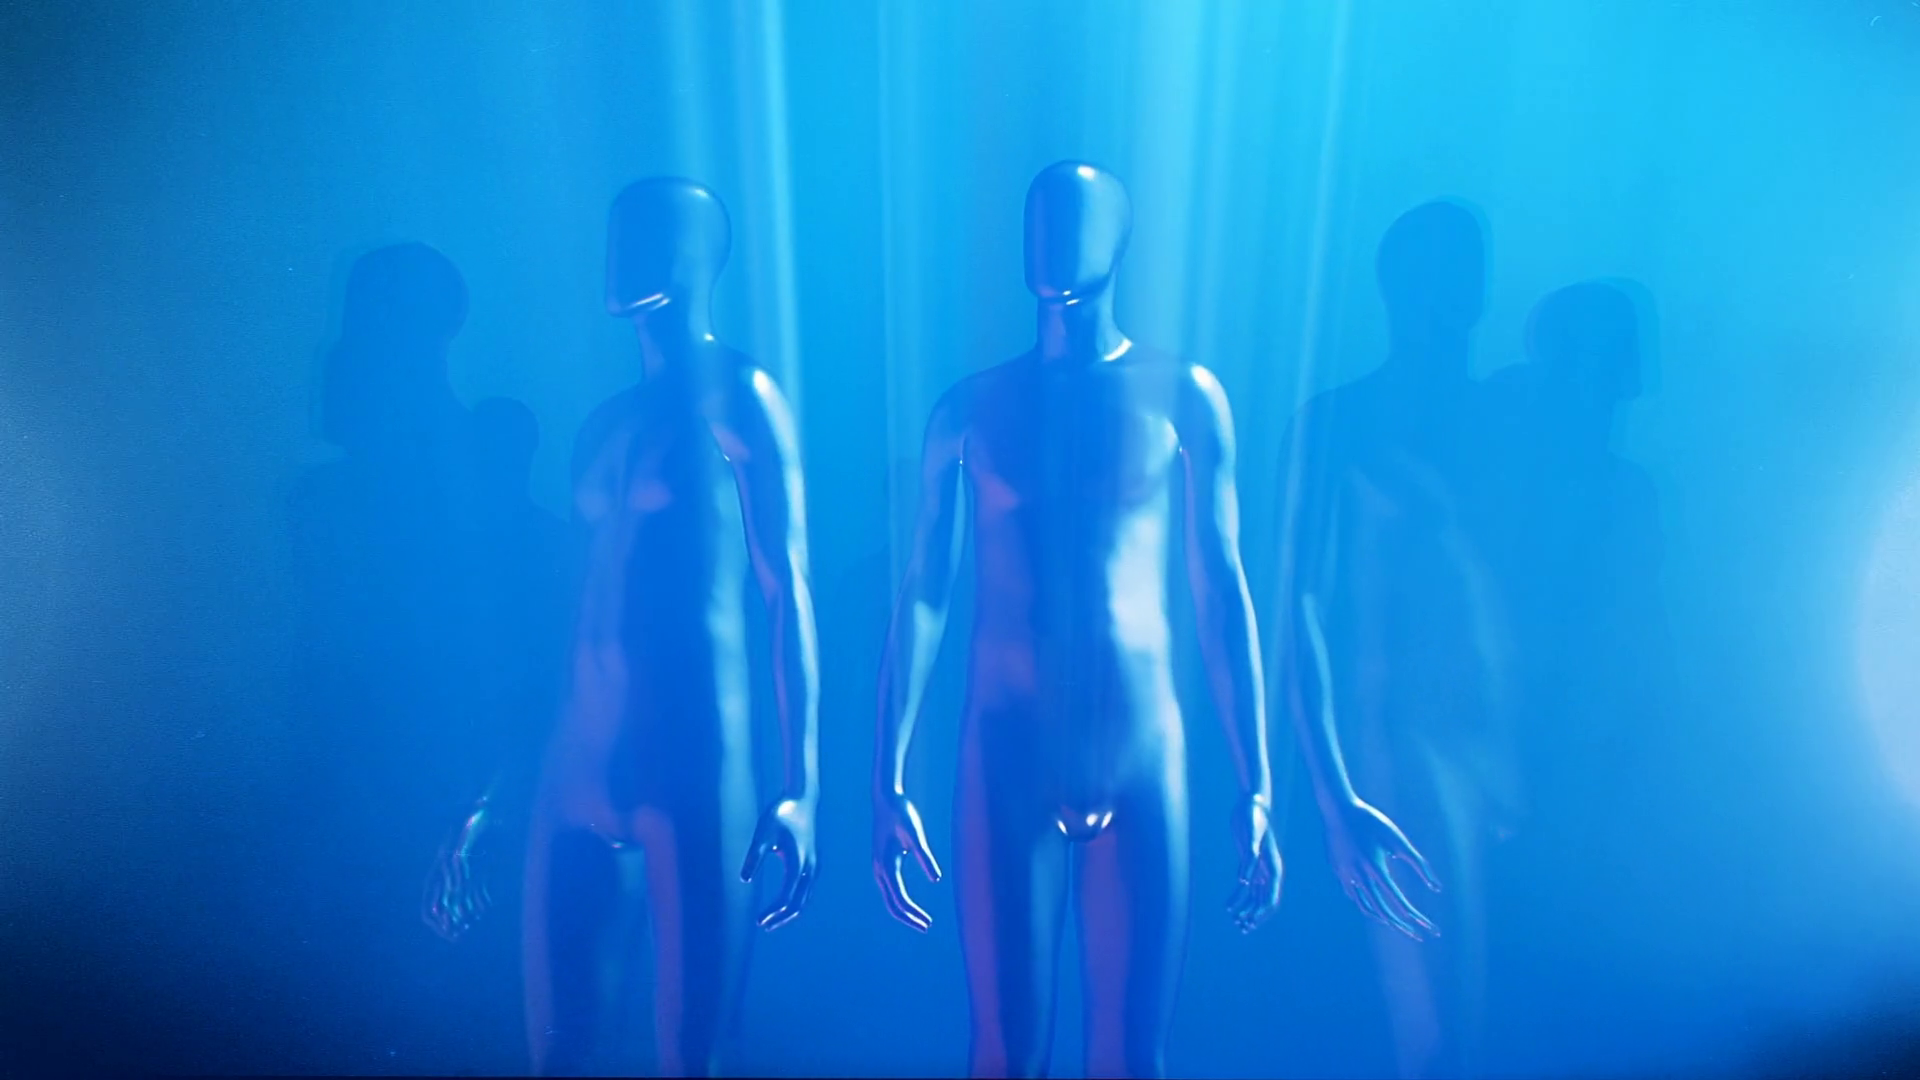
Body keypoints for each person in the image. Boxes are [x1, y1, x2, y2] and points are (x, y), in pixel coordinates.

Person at [871, 162, 1425, 1079]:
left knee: (1131, 1058)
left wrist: (1257, 782)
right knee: (1002, 1055)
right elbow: (926, 590)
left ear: (1119, 241)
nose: (1051, 238)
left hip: (1139, 756)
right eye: (1039, 217)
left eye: (1076, 219)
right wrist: (886, 776)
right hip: (1005, 753)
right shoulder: (969, 411)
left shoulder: (1183, 396)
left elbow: (1222, 589)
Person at [453, 178, 821, 1077]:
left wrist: (802, 784)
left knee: (694, 1058)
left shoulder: (742, 396)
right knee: (557, 1058)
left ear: (699, 255)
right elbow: (566, 618)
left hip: (691, 767)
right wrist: (500, 788)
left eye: (646, 236)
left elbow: (787, 591)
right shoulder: (603, 426)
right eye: (616, 235)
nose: (618, 258)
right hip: (573, 768)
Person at [1274, 201, 1510, 1078]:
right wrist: (1334, 789)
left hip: (1518, 748)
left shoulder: (1514, 420)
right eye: (1438, 268)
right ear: (1394, 284)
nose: (1459, 288)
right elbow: (1296, 609)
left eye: (1469, 266)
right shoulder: (1339, 422)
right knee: (1436, 1038)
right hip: (1403, 748)